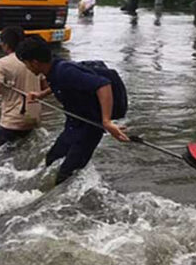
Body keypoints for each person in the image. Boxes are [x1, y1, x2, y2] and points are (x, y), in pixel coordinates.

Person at [16, 37, 130, 184]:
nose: (27, 68)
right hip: (74, 124)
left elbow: (103, 85)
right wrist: (41, 94)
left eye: (26, 64)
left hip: (89, 127)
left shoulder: (64, 71)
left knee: (66, 175)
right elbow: (63, 83)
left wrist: (106, 121)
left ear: (34, 62)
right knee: (52, 159)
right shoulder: (53, 68)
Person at [0, 27, 45, 147]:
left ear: (5, 44)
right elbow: (43, 86)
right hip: (34, 116)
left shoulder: (2, 63)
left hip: (12, 120)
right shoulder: (34, 60)